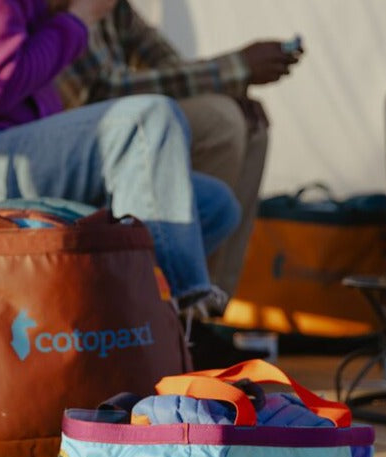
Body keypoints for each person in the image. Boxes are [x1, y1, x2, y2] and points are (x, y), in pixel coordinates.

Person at [0, 0, 240, 309]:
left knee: (214, 203)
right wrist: (80, 18)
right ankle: (158, 314)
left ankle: (105, 320)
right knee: (148, 120)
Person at [55, 0, 304, 313]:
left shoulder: (118, 10)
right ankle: (186, 302)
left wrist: (228, 87)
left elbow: (166, 63)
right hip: (77, 142)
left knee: (249, 125)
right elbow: (100, 93)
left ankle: (212, 306)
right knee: (222, 122)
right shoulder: (66, 9)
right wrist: (235, 68)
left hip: (117, 125)